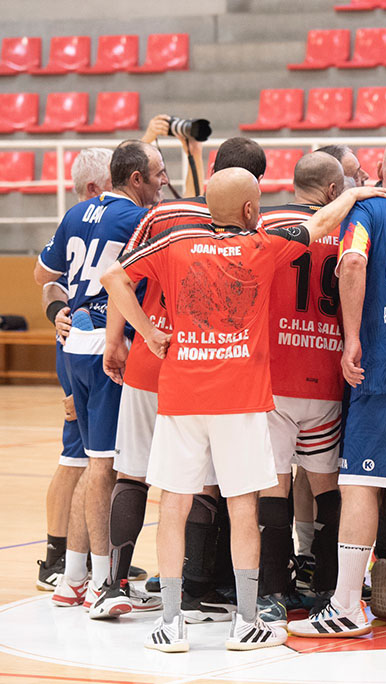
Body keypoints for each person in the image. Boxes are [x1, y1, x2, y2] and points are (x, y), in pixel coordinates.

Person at [101, 168, 386, 652]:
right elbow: (321, 223)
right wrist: (357, 191)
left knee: (174, 504)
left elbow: (113, 276)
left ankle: (171, 623)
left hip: (181, 399)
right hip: (241, 401)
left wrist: (148, 334)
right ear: (252, 209)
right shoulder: (263, 244)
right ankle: (247, 622)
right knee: (242, 507)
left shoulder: (175, 242)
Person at [97, 136, 268, 623]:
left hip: (154, 357)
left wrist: (119, 339)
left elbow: (120, 275)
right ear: (253, 186)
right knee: (215, 487)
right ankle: (196, 591)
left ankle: (114, 586)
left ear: (210, 172)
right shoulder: (254, 229)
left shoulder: (163, 216)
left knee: (136, 475)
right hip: (216, 371)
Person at [289, 137, 386, 638]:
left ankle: (346, 606)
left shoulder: (370, 209)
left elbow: (353, 262)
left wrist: (352, 338)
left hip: (382, 362)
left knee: (359, 484)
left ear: (380, 168)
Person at [35, 141, 169, 610]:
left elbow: (43, 274)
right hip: (108, 348)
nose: (164, 181)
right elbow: (120, 282)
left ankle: (73, 578)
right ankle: (103, 583)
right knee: (107, 468)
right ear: (136, 179)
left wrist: (62, 307)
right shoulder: (140, 220)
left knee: (92, 463)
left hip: (73, 345)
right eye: (159, 173)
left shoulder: (76, 213)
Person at [252, 151, 349, 625]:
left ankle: (273, 591)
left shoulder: (266, 224)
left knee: (274, 487)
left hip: (274, 375)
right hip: (327, 375)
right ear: (333, 190)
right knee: (328, 488)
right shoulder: (348, 229)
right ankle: (329, 587)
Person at [36, 148, 113, 592]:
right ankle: (56, 556)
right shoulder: (80, 220)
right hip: (79, 347)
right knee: (74, 459)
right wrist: (56, 311)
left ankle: (89, 557)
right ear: (95, 188)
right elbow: (43, 278)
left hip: (87, 345)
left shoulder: (97, 223)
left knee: (92, 460)